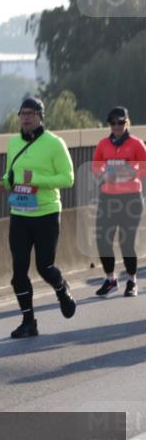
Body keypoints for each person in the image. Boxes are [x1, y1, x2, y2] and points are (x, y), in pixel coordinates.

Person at [0, 97, 76, 338]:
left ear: (41, 116)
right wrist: (5, 182)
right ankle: (28, 322)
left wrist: (37, 181)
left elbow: (68, 178)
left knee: (45, 266)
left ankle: (61, 289)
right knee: (18, 271)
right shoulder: (13, 143)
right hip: (19, 213)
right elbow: (11, 174)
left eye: (31, 113)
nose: (26, 117)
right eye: (23, 113)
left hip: (46, 213)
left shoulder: (54, 143)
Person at [92, 106, 146, 298]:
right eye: (113, 123)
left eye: (120, 122)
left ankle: (131, 281)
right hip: (108, 198)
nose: (117, 126)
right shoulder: (103, 144)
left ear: (127, 123)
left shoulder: (137, 144)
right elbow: (96, 165)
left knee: (126, 242)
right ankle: (110, 279)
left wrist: (135, 173)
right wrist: (103, 175)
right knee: (102, 240)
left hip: (130, 198)